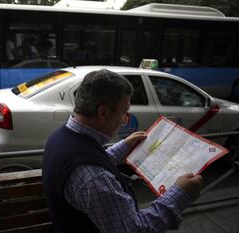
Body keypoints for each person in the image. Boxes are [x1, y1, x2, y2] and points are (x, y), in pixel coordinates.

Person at [43, 69, 204, 233]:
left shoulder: (60, 137)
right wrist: (179, 194)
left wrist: (125, 146)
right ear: (103, 113)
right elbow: (134, 229)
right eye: (124, 112)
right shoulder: (94, 177)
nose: (126, 119)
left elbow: (93, 160)